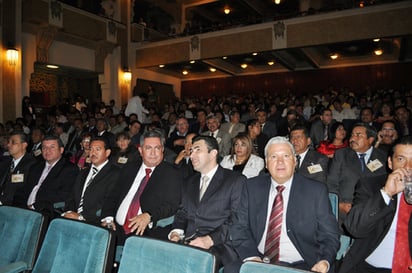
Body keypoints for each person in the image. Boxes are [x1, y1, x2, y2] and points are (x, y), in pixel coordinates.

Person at [227, 136, 339, 273]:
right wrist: (252, 257)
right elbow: (239, 226)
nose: (280, 162)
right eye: (273, 157)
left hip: (302, 264)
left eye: (286, 156)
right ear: (266, 164)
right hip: (258, 259)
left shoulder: (316, 191)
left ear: (294, 161)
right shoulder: (251, 187)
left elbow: (330, 235)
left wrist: (324, 260)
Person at [169, 135, 246, 267]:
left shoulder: (235, 180)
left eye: (197, 150)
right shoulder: (189, 181)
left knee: (194, 262)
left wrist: (210, 239)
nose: (192, 155)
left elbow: (237, 219)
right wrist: (177, 231)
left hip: (220, 244)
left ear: (213, 154)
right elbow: (182, 212)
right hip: (188, 240)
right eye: (191, 151)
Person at [339, 136, 412, 273]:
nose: (408, 167)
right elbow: (354, 228)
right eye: (401, 159)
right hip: (370, 267)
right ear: (390, 163)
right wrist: (385, 193)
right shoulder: (371, 186)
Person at [103, 129, 182, 244]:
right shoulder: (128, 168)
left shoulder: (172, 173)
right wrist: (108, 217)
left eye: (157, 148)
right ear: (140, 150)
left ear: (162, 150)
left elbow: (172, 204)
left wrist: (149, 215)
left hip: (146, 234)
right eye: (148, 148)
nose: (153, 153)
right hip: (115, 229)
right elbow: (112, 196)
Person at [327, 122, 387, 219]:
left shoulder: (383, 157)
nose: (352, 139)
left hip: (374, 211)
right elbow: (331, 183)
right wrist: (339, 204)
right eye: (352, 135)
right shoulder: (341, 155)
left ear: (370, 139)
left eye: (358, 135)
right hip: (345, 210)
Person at [62, 137, 120, 225]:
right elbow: (72, 196)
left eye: (98, 149)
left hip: (93, 223)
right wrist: (69, 212)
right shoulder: (83, 172)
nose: (93, 153)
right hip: (72, 219)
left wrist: (81, 217)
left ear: (107, 152)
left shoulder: (115, 173)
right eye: (91, 149)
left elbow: (109, 203)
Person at [22, 135, 79, 217]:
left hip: (46, 212)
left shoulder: (70, 169)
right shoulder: (35, 167)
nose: (47, 151)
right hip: (24, 210)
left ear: (61, 150)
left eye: (52, 147)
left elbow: (63, 196)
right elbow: (25, 189)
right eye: (44, 147)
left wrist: (35, 206)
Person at [0, 132, 35, 206]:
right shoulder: (4, 163)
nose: (8, 145)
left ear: (24, 145)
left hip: (15, 206)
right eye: (8, 142)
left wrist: (3, 202)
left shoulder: (33, 165)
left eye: (13, 142)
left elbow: (26, 191)